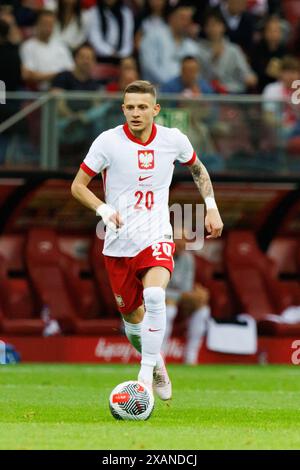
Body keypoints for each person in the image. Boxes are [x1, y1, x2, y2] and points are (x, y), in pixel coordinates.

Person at [71, 80, 223, 399]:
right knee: (132, 319)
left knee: (155, 296)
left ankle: (143, 379)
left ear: (155, 110)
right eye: (130, 107)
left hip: (156, 233)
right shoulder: (107, 142)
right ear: (122, 109)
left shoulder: (172, 139)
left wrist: (211, 208)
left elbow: (198, 168)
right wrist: (102, 208)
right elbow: (78, 186)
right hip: (118, 242)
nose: (136, 113)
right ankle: (156, 363)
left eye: (143, 107)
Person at [163, 232, 211, 365]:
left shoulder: (188, 259)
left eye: (184, 240)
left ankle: (191, 356)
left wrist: (196, 296)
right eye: (179, 239)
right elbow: (155, 287)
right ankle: (160, 354)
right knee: (169, 309)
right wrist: (175, 296)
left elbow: (186, 287)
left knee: (203, 310)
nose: (182, 243)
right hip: (155, 299)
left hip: (178, 298)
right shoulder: (159, 255)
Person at [198, 10, 257, 94]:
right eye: (209, 25)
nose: (213, 28)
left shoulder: (234, 49)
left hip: (232, 93)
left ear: (223, 27)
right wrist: (212, 59)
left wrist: (250, 78)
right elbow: (198, 77)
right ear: (205, 29)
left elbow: (246, 73)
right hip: (209, 94)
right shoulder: (198, 49)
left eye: (215, 25)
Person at [139, 3, 199, 86]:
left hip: (183, 91)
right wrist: (171, 84)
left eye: (188, 19)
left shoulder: (191, 46)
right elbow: (148, 66)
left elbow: (194, 72)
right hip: (156, 88)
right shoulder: (153, 36)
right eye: (182, 18)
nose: (185, 23)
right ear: (171, 18)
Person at [20, 9, 74, 90]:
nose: (48, 28)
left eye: (51, 25)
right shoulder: (28, 46)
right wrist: (58, 76)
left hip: (62, 91)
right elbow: (28, 75)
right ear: (37, 24)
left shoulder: (61, 45)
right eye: (45, 24)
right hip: (38, 93)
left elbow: (71, 72)